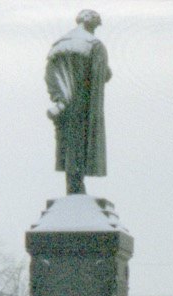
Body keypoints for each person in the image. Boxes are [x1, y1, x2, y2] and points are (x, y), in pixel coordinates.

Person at [45, 9, 110, 196]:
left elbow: (49, 75)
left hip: (64, 106)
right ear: (91, 24)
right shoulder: (94, 45)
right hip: (84, 106)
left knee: (68, 146)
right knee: (82, 145)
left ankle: (73, 186)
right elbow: (101, 75)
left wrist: (59, 98)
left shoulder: (58, 44)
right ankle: (76, 187)